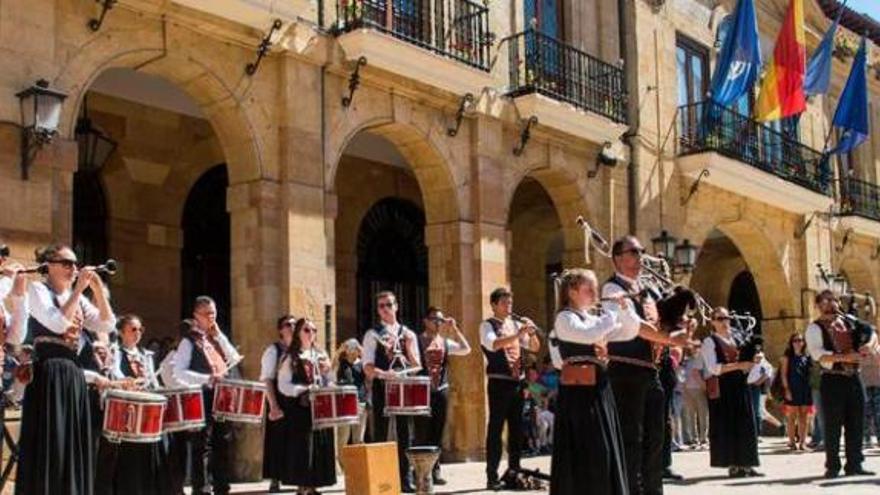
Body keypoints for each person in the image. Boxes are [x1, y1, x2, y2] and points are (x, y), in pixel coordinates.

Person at [18, 243, 116, 495]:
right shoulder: (38, 290)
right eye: (66, 263)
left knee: (73, 440)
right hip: (49, 372)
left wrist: (97, 290)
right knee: (53, 439)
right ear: (48, 266)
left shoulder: (79, 298)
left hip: (72, 373)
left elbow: (106, 324)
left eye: (75, 263)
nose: (73, 268)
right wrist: (79, 288)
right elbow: (58, 322)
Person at [601, 236, 692, 494]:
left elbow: (665, 319)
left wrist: (682, 321)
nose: (640, 257)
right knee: (631, 438)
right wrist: (670, 338)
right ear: (618, 258)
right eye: (634, 252)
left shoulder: (649, 290)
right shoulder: (612, 290)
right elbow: (635, 326)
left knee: (656, 440)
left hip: (652, 372)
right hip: (626, 371)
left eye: (641, 252)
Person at [550, 268, 639, 495]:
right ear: (571, 291)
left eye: (595, 288)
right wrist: (611, 312)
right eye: (588, 288)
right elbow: (589, 334)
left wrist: (625, 308)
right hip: (578, 395)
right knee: (588, 448)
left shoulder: (593, 318)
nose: (594, 292)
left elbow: (627, 332)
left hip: (599, 389)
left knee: (604, 447)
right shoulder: (564, 318)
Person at [171, 296, 242, 495]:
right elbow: (179, 372)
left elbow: (234, 358)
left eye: (213, 313)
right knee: (202, 444)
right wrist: (207, 378)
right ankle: (200, 488)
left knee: (223, 442)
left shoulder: (215, 338)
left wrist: (219, 336)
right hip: (202, 396)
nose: (211, 318)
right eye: (207, 314)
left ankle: (221, 487)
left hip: (221, 396)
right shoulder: (189, 341)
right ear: (196, 316)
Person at [95, 314, 170, 494]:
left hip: (144, 410)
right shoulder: (116, 352)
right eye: (133, 329)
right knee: (125, 456)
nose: (138, 333)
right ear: (121, 332)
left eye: (140, 329)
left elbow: (153, 380)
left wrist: (157, 391)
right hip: (126, 411)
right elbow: (115, 374)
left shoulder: (146, 355)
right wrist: (129, 382)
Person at [804, 290, 876, 478]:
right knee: (833, 425)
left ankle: (855, 464)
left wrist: (869, 344)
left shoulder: (849, 321)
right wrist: (847, 357)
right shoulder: (814, 328)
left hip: (854, 377)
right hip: (832, 378)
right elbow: (819, 355)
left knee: (856, 422)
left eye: (834, 300)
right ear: (818, 305)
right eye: (826, 300)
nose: (832, 303)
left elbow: (871, 331)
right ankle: (832, 466)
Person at [479, 287, 540, 490]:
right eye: (505, 303)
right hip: (499, 383)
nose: (509, 307)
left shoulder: (514, 324)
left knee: (517, 429)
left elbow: (534, 348)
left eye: (510, 303)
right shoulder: (486, 325)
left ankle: (515, 471)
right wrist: (518, 333)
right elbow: (493, 345)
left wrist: (531, 333)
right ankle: (491, 476)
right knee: (495, 429)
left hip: (517, 383)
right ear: (494, 304)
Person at [363, 290, 422, 492]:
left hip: (403, 387)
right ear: (378, 311)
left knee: (405, 433)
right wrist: (385, 374)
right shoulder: (372, 334)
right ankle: (381, 479)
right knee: (380, 432)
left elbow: (417, 364)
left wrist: (404, 370)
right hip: (382, 387)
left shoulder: (408, 334)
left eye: (389, 304)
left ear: (396, 306)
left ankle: (405, 479)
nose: (386, 309)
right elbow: (367, 367)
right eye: (381, 306)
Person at [277, 318, 337, 493]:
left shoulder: (320, 354)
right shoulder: (291, 357)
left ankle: (314, 486)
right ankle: (303, 487)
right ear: (298, 333)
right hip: (300, 409)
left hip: (320, 408)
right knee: (303, 448)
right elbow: (283, 385)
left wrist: (329, 376)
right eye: (306, 330)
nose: (311, 334)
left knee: (320, 447)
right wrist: (304, 389)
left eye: (314, 330)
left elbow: (330, 380)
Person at [701, 307, 761, 478]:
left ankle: (747, 463)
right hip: (723, 386)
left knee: (746, 423)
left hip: (740, 384)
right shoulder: (709, 341)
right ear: (712, 321)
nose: (724, 321)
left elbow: (744, 359)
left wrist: (753, 361)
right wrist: (739, 366)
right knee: (729, 425)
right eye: (720, 318)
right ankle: (733, 464)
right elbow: (713, 368)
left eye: (726, 318)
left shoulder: (736, 338)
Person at [415, 306, 470, 484]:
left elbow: (466, 349)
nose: (437, 323)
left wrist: (454, 329)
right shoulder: (416, 341)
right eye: (434, 320)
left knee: (437, 432)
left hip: (441, 391)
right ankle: (419, 472)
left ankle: (435, 471)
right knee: (421, 431)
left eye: (440, 320)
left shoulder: (446, 343)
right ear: (425, 321)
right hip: (422, 392)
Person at [261, 314, 296, 493]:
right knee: (277, 439)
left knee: (296, 440)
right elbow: (267, 379)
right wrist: (273, 404)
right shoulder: (273, 350)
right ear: (280, 330)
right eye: (286, 324)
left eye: (294, 324)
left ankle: (297, 477)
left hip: (298, 400)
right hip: (280, 399)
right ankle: (275, 479)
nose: (291, 327)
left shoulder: (302, 349)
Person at [334, 338, 368, 470]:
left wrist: (363, 352)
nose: (352, 350)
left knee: (358, 437)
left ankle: (358, 467)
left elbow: (370, 369)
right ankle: (343, 467)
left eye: (354, 347)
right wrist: (340, 351)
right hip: (344, 403)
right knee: (343, 437)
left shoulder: (362, 363)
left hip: (360, 402)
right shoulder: (342, 363)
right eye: (350, 347)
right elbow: (332, 368)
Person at [780, 332, 813, 451]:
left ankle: (803, 443)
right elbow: (783, 375)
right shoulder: (786, 357)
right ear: (791, 343)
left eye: (800, 340)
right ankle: (792, 442)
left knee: (804, 417)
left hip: (805, 388)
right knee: (791, 417)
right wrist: (787, 390)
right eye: (795, 340)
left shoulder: (807, 357)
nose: (798, 343)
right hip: (792, 388)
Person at [681, 346, 708, 449]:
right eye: (693, 347)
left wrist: (703, 386)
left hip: (700, 389)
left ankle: (703, 439)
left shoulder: (703, 360)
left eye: (697, 347)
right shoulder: (686, 361)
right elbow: (682, 375)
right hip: (688, 390)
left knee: (703, 415)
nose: (695, 349)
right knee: (691, 416)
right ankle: (694, 439)